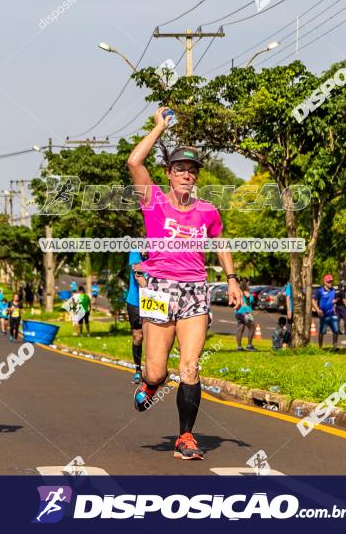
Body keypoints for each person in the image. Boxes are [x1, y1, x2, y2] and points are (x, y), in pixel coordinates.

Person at [127, 106, 242, 461]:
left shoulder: (207, 209)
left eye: (192, 171)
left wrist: (232, 279)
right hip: (160, 289)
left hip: (195, 290)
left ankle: (186, 437)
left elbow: (220, 243)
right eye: (180, 169)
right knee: (158, 370)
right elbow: (134, 162)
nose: (186, 175)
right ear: (169, 173)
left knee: (190, 366)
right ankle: (150, 383)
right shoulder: (154, 200)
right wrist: (159, 127)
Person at [126, 251, 147, 383]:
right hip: (136, 301)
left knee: (154, 335)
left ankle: (154, 370)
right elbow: (137, 272)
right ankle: (138, 369)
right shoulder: (135, 251)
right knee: (138, 336)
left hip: (156, 301)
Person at [312, 274, 340, 351]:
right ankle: (320, 347)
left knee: (336, 330)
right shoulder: (320, 291)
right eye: (329, 282)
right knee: (322, 332)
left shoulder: (333, 291)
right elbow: (313, 300)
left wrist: (334, 303)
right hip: (323, 315)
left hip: (332, 314)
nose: (330, 283)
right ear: (325, 282)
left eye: (331, 281)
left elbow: (334, 300)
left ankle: (334, 346)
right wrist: (317, 310)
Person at [234, 281, 257, 351]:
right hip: (245, 313)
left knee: (240, 329)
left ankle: (239, 347)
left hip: (238, 313)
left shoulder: (238, 293)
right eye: (248, 285)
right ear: (246, 286)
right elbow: (252, 302)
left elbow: (232, 299)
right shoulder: (248, 294)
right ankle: (249, 346)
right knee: (252, 327)